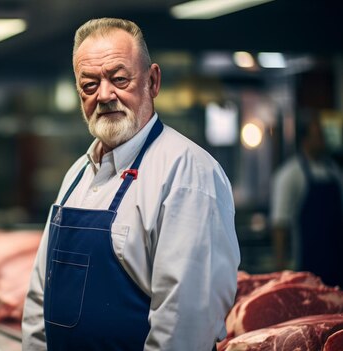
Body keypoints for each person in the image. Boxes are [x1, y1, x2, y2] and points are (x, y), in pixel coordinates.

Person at [22, 18, 240, 351]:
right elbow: (40, 298)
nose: (105, 94)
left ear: (152, 81)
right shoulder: (77, 174)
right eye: (90, 84)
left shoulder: (187, 172)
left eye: (119, 78)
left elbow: (184, 326)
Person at [271, 116, 343, 287]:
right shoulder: (289, 175)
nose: (323, 140)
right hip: (305, 268)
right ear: (305, 139)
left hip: (337, 266)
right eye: (318, 135)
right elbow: (280, 225)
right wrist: (281, 273)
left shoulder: (334, 172)